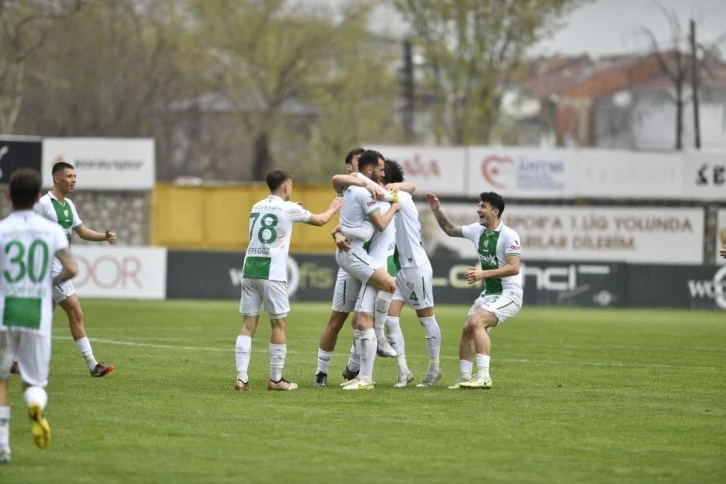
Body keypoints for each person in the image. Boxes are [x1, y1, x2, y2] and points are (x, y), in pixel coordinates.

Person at [234, 169, 344, 391]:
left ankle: (242, 378)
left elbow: (277, 219)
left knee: (248, 325)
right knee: (279, 324)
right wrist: (333, 208)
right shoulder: (289, 208)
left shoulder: (256, 206)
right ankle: (276, 380)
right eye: (291, 185)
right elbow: (321, 221)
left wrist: (295, 209)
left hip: (250, 269)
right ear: (285, 187)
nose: (291, 189)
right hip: (272, 272)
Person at [313, 148, 414, 387]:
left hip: (369, 261)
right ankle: (327, 372)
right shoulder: (356, 189)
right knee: (342, 318)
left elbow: (409, 188)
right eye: (354, 164)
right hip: (354, 261)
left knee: (361, 318)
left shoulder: (383, 191)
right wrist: (338, 232)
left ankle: (360, 368)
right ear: (353, 168)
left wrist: (395, 191)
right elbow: (339, 181)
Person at [0, 169, 79, 464]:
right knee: (34, 382)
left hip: (5, 309)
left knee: (2, 381)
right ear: (36, 198)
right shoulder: (52, 230)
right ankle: (35, 406)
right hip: (36, 310)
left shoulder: (2, 229)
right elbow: (71, 268)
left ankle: (3, 446)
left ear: (9, 196)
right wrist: (48, 285)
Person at [426, 191, 522, 389]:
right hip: (489, 294)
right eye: (479, 205)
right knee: (467, 328)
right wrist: (437, 210)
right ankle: (465, 378)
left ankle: (484, 376)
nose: (479, 209)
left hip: (509, 294)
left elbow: (514, 267)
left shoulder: (509, 235)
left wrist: (482, 274)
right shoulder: (477, 230)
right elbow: (451, 230)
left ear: (495, 212)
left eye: (483, 206)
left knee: (477, 322)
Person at [31, 159, 115, 377]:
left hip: (58, 265)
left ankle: (14, 359)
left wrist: (104, 237)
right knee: (76, 312)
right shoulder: (43, 204)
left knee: (43, 316)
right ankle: (92, 365)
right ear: (57, 179)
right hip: (51, 267)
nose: (73, 180)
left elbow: (82, 231)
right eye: (69, 176)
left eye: (75, 177)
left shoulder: (68, 205)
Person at [333, 150, 399, 390]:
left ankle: (364, 375)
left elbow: (336, 180)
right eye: (380, 169)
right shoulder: (364, 192)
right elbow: (379, 224)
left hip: (363, 256)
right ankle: (365, 376)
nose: (383, 173)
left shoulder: (362, 189)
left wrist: (393, 196)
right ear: (370, 170)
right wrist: (394, 206)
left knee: (362, 319)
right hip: (359, 257)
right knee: (363, 317)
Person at [382, 160, 443, 388]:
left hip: (415, 266)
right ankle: (403, 371)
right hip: (397, 267)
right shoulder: (390, 196)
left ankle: (435, 368)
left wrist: (403, 186)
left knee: (426, 319)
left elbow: (410, 187)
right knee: (390, 318)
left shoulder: (401, 197)